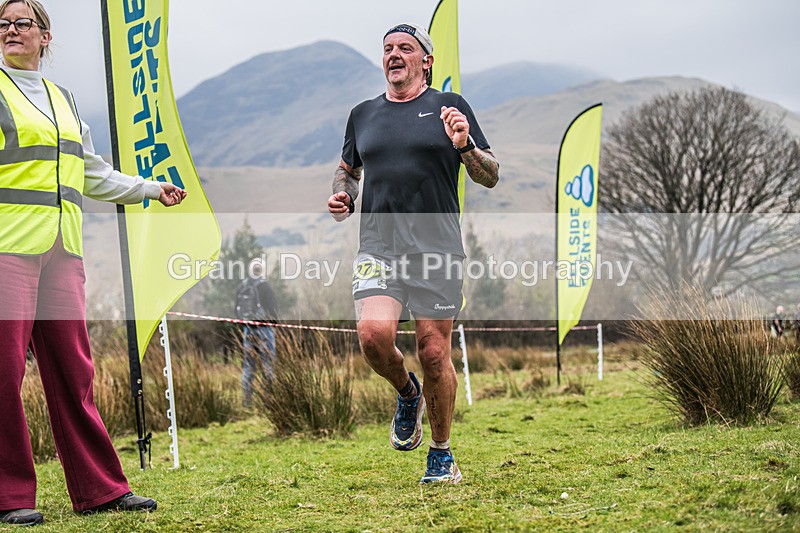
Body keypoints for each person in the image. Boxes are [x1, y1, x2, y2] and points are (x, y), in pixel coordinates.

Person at [0, 0, 186, 525]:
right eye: (3, 23)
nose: (12, 30)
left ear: (45, 36)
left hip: (62, 252)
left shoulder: (63, 98)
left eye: (22, 23)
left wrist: (149, 188)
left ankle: (100, 490)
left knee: (74, 372)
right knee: (3, 373)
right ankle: (9, 495)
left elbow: (91, 171)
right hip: (7, 250)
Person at [327, 23, 499, 484]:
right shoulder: (362, 114)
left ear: (426, 60)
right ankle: (408, 394)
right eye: (387, 49)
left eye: (405, 48)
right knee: (372, 337)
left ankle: (441, 454)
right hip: (378, 246)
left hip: (436, 248)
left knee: (433, 350)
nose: (394, 55)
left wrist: (463, 145)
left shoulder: (451, 107)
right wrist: (343, 194)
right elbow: (347, 171)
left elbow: (490, 174)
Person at [236, 257, 279, 406]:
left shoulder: (242, 286)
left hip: (248, 330)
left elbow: (237, 310)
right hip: (265, 330)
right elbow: (273, 310)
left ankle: (247, 402)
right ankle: (270, 402)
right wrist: (273, 325)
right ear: (262, 270)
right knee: (267, 366)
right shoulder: (265, 287)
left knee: (248, 366)